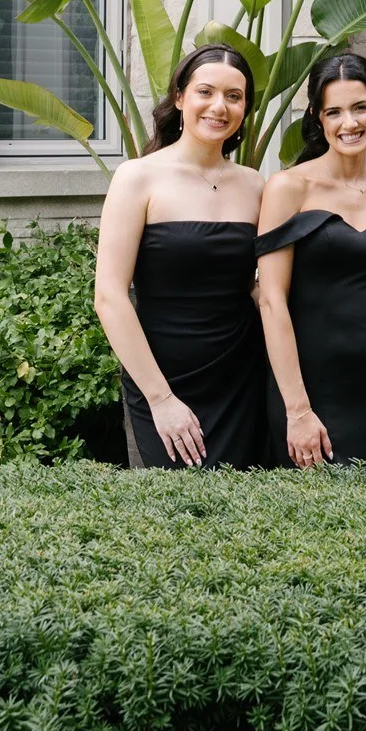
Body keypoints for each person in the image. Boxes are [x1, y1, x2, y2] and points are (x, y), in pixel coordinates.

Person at [95, 45, 266, 470]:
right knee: (169, 517)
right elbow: (109, 296)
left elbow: (260, 286)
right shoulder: (138, 177)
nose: (219, 107)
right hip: (161, 378)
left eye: (234, 96)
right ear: (179, 97)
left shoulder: (256, 185)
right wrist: (160, 398)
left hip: (240, 377)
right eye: (205, 91)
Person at [256, 53, 366, 472]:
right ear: (317, 117)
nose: (350, 123)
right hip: (308, 390)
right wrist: (297, 410)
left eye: (361, 107)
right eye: (335, 111)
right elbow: (272, 301)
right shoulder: (288, 188)